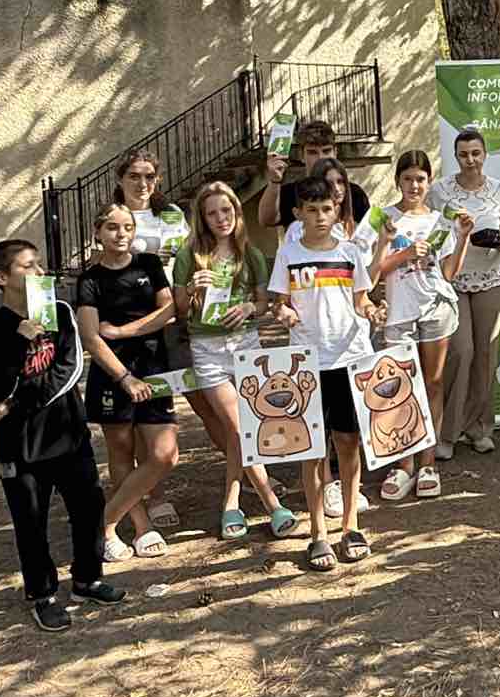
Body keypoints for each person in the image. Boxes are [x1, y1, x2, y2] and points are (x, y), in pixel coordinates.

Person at [0, 239, 127, 631]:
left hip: (67, 431)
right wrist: (19, 340)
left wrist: (15, 404)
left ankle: (87, 579)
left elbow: (68, 370)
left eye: (39, 264)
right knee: (31, 521)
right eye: (27, 266)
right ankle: (42, 595)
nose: (40, 272)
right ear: (1, 277)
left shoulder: (58, 311)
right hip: (20, 444)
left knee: (88, 507)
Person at [269, 174, 388, 568]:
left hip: (349, 358)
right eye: (312, 209)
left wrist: (373, 311)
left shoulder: (350, 252)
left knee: (348, 443)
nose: (320, 216)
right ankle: (318, 533)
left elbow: (361, 300)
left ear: (336, 210)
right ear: (298, 213)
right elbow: (279, 303)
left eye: (326, 209)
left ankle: (351, 525)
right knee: (313, 450)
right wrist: (284, 313)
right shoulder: (288, 254)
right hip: (308, 362)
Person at [170, 181, 298, 541]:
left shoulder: (250, 254)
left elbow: (263, 303)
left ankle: (231, 503)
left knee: (241, 430)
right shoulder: (189, 256)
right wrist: (193, 289)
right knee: (239, 428)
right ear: (202, 218)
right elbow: (180, 309)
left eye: (226, 210)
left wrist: (249, 308)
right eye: (212, 213)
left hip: (247, 345)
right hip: (208, 350)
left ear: (236, 213)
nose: (220, 218)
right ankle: (273, 505)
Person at [75, 203, 180, 562]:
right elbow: (91, 336)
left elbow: (169, 311)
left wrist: (123, 331)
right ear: (98, 232)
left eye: (128, 227)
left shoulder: (148, 264)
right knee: (122, 452)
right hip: (112, 376)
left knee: (165, 454)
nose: (121, 234)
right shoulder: (89, 279)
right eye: (112, 227)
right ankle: (141, 526)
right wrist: (124, 378)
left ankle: (103, 521)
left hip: (154, 369)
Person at [373, 151, 471, 501]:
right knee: (400, 388)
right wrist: (403, 254)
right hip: (399, 315)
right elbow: (372, 272)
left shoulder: (439, 221)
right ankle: (403, 464)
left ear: (429, 182)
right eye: (408, 178)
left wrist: (463, 238)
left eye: (420, 179)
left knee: (432, 383)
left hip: (435, 309)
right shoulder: (383, 218)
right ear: (397, 181)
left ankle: (428, 463)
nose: (414, 185)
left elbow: (448, 273)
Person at [427, 127, 500, 456]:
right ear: (456, 157)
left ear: (485, 155)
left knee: (485, 355)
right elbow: (430, 231)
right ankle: (447, 433)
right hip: (451, 281)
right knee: (460, 352)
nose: (470, 160)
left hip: (491, 278)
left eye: (475, 153)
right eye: (464, 154)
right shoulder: (439, 191)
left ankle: (479, 427)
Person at [111, 149, 189, 532]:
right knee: (144, 410)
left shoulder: (171, 213)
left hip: (176, 318)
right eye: (134, 176)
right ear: (120, 179)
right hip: (134, 324)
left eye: (149, 177)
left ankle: (249, 473)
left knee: (193, 400)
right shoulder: (115, 217)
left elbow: (189, 257)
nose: (142, 184)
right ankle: (154, 495)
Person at [257, 119, 371, 232]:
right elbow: (266, 221)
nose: (321, 157)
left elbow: (372, 231)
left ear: (335, 152)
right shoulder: (291, 192)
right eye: (313, 152)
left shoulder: (354, 193)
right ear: (302, 155)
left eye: (326, 151)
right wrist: (274, 181)